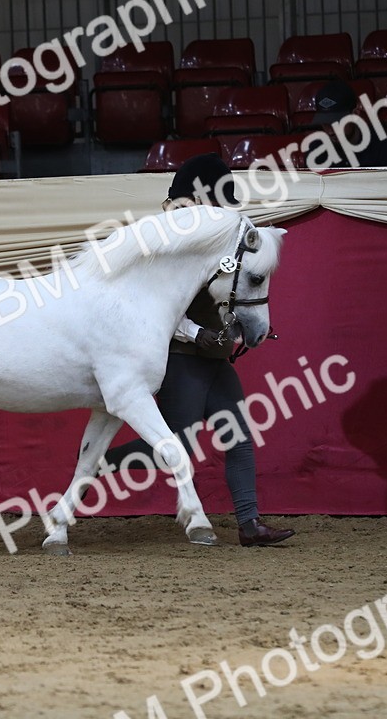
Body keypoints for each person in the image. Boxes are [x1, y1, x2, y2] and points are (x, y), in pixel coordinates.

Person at [103, 153, 295, 547]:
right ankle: (101, 463)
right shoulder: (167, 245)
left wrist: (241, 327)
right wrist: (195, 334)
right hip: (182, 358)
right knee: (178, 446)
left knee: (239, 437)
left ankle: (249, 524)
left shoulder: (220, 240)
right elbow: (156, 306)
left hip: (215, 361)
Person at [306, 79, 387, 168]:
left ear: (355, 114)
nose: (330, 131)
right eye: (325, 124)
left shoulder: (384, 145)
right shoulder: (316, 149)